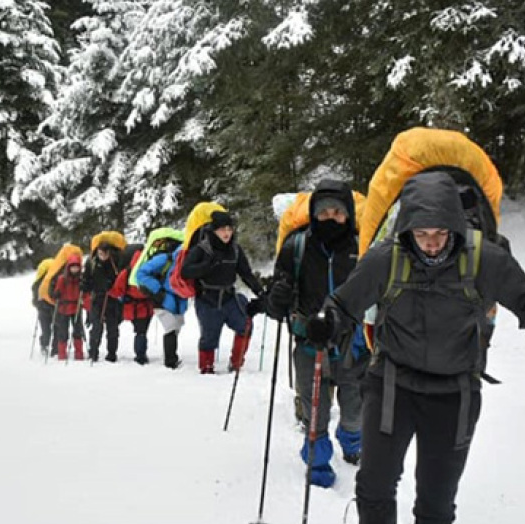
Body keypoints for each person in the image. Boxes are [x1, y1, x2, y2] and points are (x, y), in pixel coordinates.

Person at [312, 171, 525, 524]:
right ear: (407, 229)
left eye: (439, 233)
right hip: (393, 383)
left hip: (455, 391)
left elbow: (521, 296)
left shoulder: (481, 258)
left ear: (456, 227)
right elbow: (344, 303)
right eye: (421, 234)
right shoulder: (386, 259)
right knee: (375, 481)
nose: (430, 243)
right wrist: (328, 324)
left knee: (437, 493)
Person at [266, 181, 368, 488]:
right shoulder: (296, 246)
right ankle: (318, 464)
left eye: (338, 212)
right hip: (310, 341)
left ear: (348, 213)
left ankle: (352, 442)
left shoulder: (363, 247)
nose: (331, 218)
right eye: (323, 212)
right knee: (315, 412)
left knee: (355, 410)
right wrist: (278, 298)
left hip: (354, 341)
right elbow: (277, 304)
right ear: (313, 213)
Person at [180, 211, 265, 374]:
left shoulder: (235, 250)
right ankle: (206, 368)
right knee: (209, 337)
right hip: (207, 299)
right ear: (213, 231)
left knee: (245, 326)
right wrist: (206, 266)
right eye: (222, 229)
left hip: (228, 297)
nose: (226, 233)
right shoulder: (202, 249)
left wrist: (260, 291)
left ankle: (236, 363)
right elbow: (185, 271)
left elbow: (245, 273)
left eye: (229, 229)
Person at [135, 230, 187, 369]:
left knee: (176, 328)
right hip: (162, 299)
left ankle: (171, 359)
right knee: (171, 328)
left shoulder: (182, 258)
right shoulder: (165, 258)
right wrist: (158, 290)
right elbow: (140, 274)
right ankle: (170, 361)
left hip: (177, 299)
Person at [108, 245, 155, 365]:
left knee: (138, 331)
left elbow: (117, 290)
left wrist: (108, 290)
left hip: (131, 306)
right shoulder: (151, 269)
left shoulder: (127, 271)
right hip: (147, 306)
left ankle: (139, 355)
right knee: (142, 332)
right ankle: (141, 356)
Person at [82, 242, 123, 362]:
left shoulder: (115, 262)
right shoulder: (92, 262)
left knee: (112, 327)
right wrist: (84, 285)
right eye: (100, 253)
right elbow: (87, 278)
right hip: (97, 298)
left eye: (105, 253)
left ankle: (111, 353)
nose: (103, 256)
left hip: (112, 298)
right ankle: (93, 352)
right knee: (97, 326)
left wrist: (112, 283)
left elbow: (121, 277)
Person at [49, 253, 86, 360]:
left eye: (77, 266)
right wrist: (56, 294)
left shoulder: (81, 279)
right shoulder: (62, 279)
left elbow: (85, 294)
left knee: (78, 331)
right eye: (73, 267)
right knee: (63, 332)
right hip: (63, 308)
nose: (74, 269)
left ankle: (79, 354)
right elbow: (56, 292)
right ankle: (62, 354)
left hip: (76, 308)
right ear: (68, 267)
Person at [32, 258, 57, 357]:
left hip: (52, 307)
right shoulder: (38, 283)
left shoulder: (56, 280)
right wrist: (37, 303)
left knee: (54, 328)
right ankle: (45, 345)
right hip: (44, 308)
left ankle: (53, 347)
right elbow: (35, 295)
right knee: (47, 329)